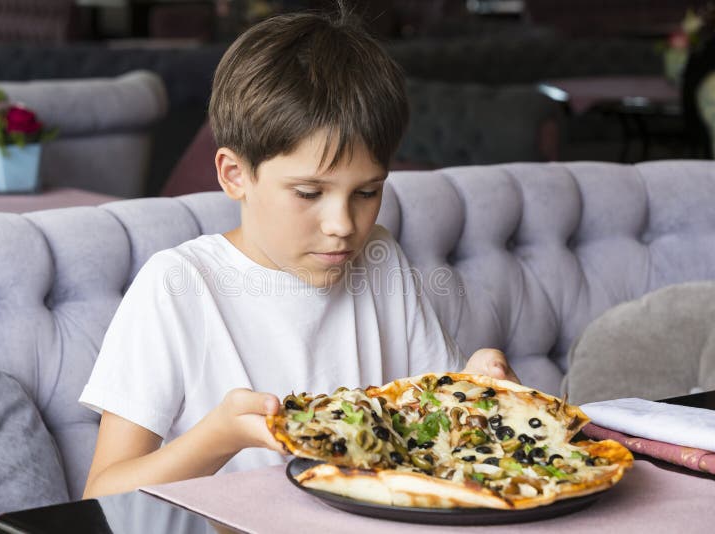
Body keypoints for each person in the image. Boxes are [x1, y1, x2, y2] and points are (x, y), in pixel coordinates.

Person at [80, 7, 519, 500]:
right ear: (234, 175)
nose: (343, 226)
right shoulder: (179, 285)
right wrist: (219, 437)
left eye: (367, 192)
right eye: (309, 193)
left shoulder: (380, 257)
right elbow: (100, 497)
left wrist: (485, 393)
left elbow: (435, 435)